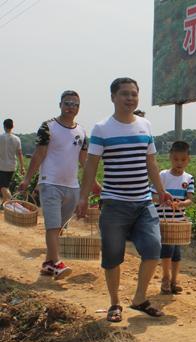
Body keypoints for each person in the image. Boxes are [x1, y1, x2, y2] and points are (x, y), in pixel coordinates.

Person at [76, 77, 172, 322]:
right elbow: (91, 166)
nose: (130, 98)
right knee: (112, 256)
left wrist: (161, 190)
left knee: (153, 249)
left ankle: (139, 299)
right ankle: (114, 303)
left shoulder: (145, 126)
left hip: (144, 202)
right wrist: (83, 197)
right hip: (114, 203)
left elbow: (151, 162)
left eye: (134, 94)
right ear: (113, 97)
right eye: (124, 94)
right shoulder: (102, 128)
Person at [19, 91, 88, 279]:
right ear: (60, 105)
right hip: (50, 182)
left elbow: (84, 160)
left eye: (75, 104)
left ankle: (48, 264)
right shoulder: (48, 127)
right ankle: (56, 262)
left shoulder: (81, 131)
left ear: (79, 108)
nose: (71, 107)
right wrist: (27, 179)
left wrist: (94, 183)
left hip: (72, 186)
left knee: (59, 228)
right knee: (52, 225)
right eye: (68, 103)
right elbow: (39, 154)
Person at [152, 140, 194, 295]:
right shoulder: (162, 176)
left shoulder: (189, 178)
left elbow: (189, 200)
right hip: (164, 220)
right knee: (167, 249)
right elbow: (153, 195)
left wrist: (181, 204)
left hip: (179, 221)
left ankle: (174, 280)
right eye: (176, 159)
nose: (179, 163)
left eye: (183, 159)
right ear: (170, 157)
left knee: (177, 252)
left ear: (188, 159)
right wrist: (164, 200)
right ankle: (165, 278)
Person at [0, 118, 25, 204]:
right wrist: (22, 167)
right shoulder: (17, 139)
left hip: (2, 166)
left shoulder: (0, 138)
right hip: (12, 166)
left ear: (4, 126)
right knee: (5, 185)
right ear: (13, 126)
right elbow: (20, 154)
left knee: (3, 187)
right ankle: (4, 204)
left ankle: (14, 203)